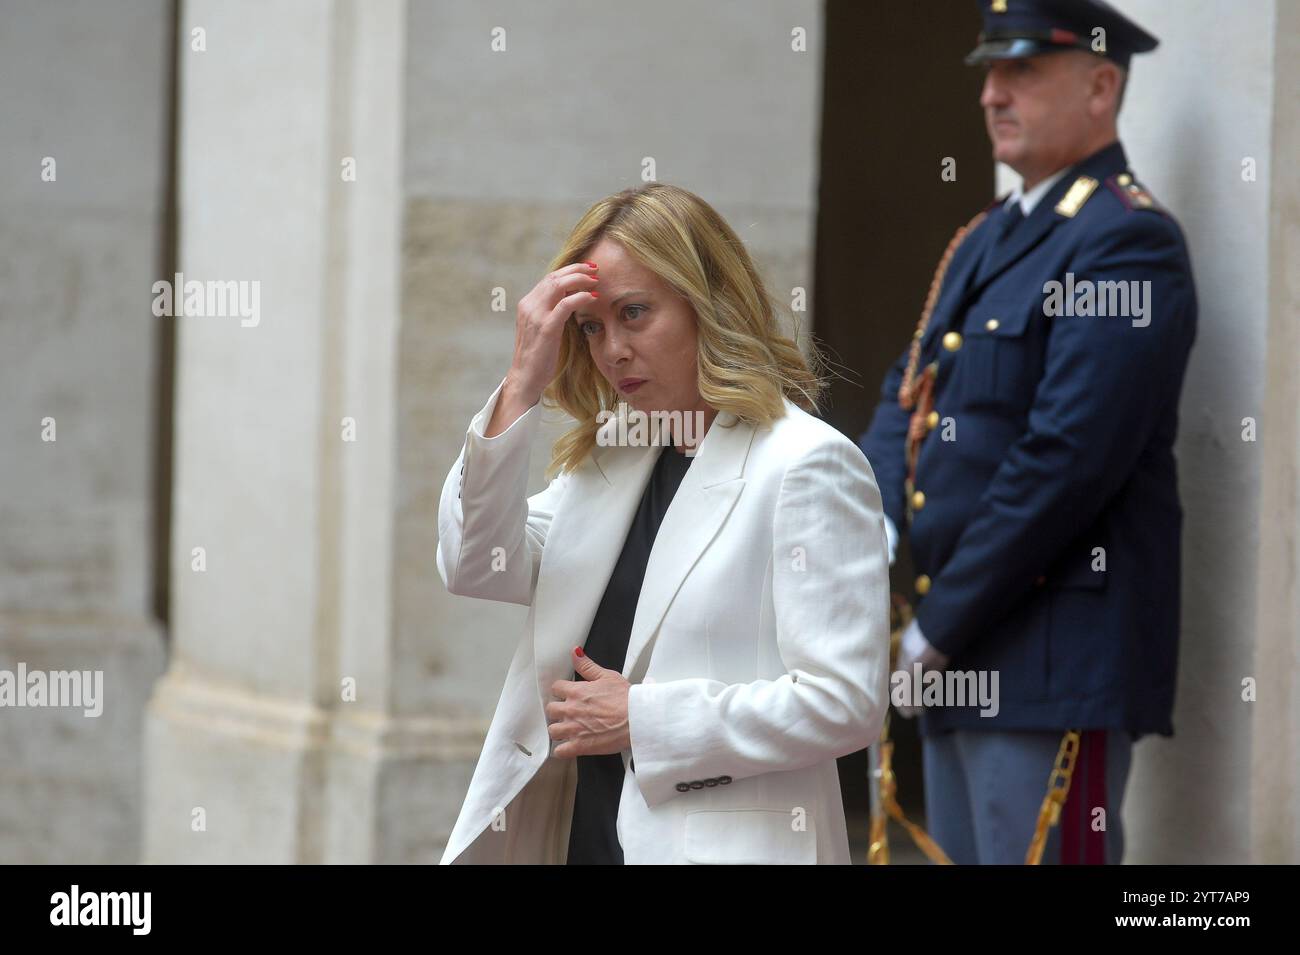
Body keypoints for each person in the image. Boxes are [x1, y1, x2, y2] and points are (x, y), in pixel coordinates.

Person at [437, 182, 891, 864]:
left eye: (635, 313)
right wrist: (520, 386)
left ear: (707, 303)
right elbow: (476, 562)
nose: (611, 348)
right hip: (585, 831)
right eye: (592, 326)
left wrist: (643, 718)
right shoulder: (616, 452)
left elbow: (846, 701)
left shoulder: (805, 463)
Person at [858, 0, 1197, 864]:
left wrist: (936, 629)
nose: (992, 96)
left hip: (1050, 659)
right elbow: (909, 389)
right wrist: (868, 530)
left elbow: (1067, 457)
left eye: (1022, 72)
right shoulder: (988, 237)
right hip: (959, 643)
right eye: (989, 74)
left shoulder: (1125, 241)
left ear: (1101, 85)